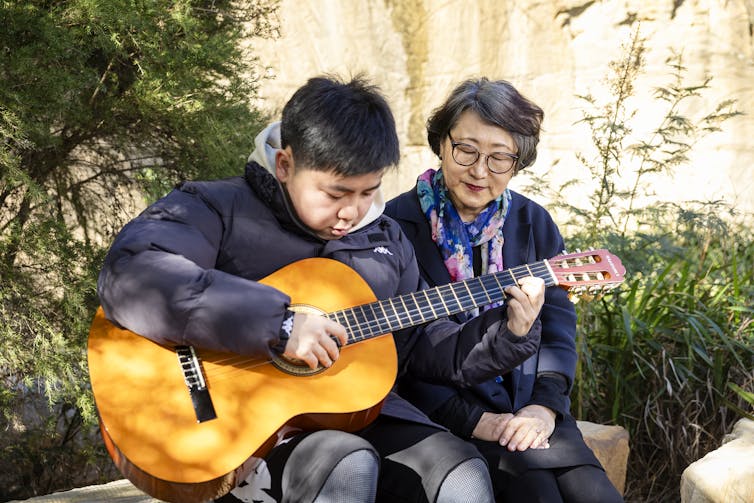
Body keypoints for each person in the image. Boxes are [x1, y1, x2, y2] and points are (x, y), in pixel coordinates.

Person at [97, 75, 547, 503]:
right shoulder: (213, 207)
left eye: (367, 192)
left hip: (362, 414)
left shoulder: (386, 239)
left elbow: (418, 348)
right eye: (335, 194)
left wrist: (508, 333)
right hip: (240, 432)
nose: (352, 211)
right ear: (285, 164)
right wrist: (280, 324)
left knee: (460, 471)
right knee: (342, 462)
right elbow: (134, 273)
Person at [385, 77, 624, 503]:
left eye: (499, 158)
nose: (480, 171)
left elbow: (557, 333)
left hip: (530, 409)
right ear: (442, 144)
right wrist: (477, 420)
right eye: (467, 151)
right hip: (446, 416)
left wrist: (544, 408)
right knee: (536, 494)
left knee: (594, 495)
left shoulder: (533, 223)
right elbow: (399, 354)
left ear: (518, 163)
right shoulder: (395, 227)